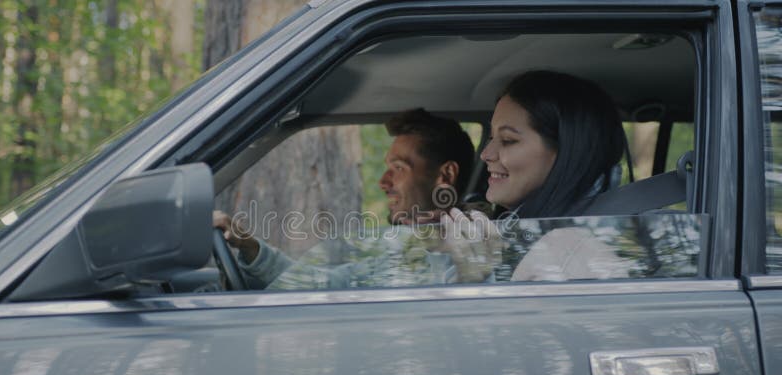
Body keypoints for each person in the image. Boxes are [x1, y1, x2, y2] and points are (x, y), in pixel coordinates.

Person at [213, 108, 475, 289]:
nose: (383, 182)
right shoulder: (407, 247)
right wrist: (250, 248)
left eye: (398, 168)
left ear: (446, 174)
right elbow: (327, 287)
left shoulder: (469, 251)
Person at [439, 70, 630, 282]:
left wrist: (475, 280)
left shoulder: (567, 252)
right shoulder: (525, 233)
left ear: (567, 154)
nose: (486, 154)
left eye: (508, 140)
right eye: (492, 137)